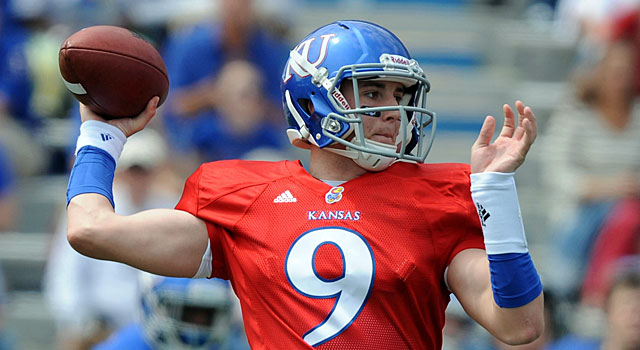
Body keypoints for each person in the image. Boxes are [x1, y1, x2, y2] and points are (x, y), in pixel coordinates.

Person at [65, 20, 544, 349]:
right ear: (314, 102)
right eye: (372, 92)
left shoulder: (441, 195)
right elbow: (90, 230)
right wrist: (101, 134)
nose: (393, 112)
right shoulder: (240, 197)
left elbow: (519, 325)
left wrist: (496, 194)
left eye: (399, 95)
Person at [45, 129, 179, 350]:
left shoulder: (171, 207)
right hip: (99, 326)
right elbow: (65, 272)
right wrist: (79, 321)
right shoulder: (94, 208)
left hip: (160, 329)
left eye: (144, 170)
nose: (138, 178)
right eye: (133, 170)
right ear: (122, 171)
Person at [539, 39, 640, 299]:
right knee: (621, 217)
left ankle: (599, 293)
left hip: (631, 204)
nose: (622, 79)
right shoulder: (576, 115)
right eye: (616, 72)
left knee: (627, 216)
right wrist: (602, 187)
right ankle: (590, 292)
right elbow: (555, 169)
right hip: (581, 207)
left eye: (627, 71)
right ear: (599, 73)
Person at [93, 274, 248, 350]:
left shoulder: (230, 344)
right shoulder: (130, 345)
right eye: (188, 313)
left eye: (207, 315)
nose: (196, 326)